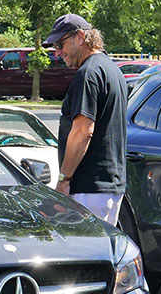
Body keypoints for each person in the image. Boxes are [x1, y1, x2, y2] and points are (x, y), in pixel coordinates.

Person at [42, 13, 127, 225]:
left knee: (82, 253)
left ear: (80, 37)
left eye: (60, 44)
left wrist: (64, 180)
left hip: (88, 188)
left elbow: (83, 131)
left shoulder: (88, 73)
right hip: (109, 185)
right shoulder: (112, 70)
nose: (58, 53)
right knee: (102, 253)